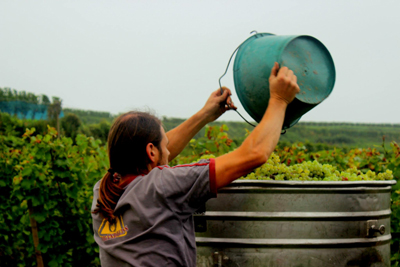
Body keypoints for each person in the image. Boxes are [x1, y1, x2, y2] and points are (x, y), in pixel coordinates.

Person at [91, 62, 300, 266]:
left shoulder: (103, 192)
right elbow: (254, 154)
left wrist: (204, 115)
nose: (169, 150)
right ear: (151, 151)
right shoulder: (164, 186)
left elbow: (153, 153)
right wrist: (279, 99)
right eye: (165, 145)